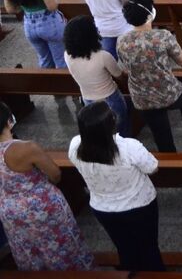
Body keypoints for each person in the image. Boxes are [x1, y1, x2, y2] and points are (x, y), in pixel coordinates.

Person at [68, 101, 164, 271]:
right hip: (138, 205)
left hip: (103, 208)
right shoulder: (129, 147)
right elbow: (152, 167)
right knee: (148, 246)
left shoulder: (76, 146)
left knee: (123, 245)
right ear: (111, 123)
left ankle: (130, 270)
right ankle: (155, 272)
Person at [0, 100, 95, 270]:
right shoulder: (26, 148)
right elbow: (55, 174)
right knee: (61, 246)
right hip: (40, 206)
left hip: (9, 210)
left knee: (30, 251)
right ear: (9, 121)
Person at [116, 0, 182, 152]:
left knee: (160, 133)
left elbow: (125, 65)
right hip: (168, 92)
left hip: (141, 98)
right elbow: (181, 58)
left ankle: (169, 155)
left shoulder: (122, 40)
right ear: (149, 14)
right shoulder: (162, 36)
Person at [64, 14, 129, 134]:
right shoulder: (103, 56)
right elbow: (119, 76)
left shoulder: (67, 55)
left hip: (88, 99)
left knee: (102, 134)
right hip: (110, 99)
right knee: (121, 131)